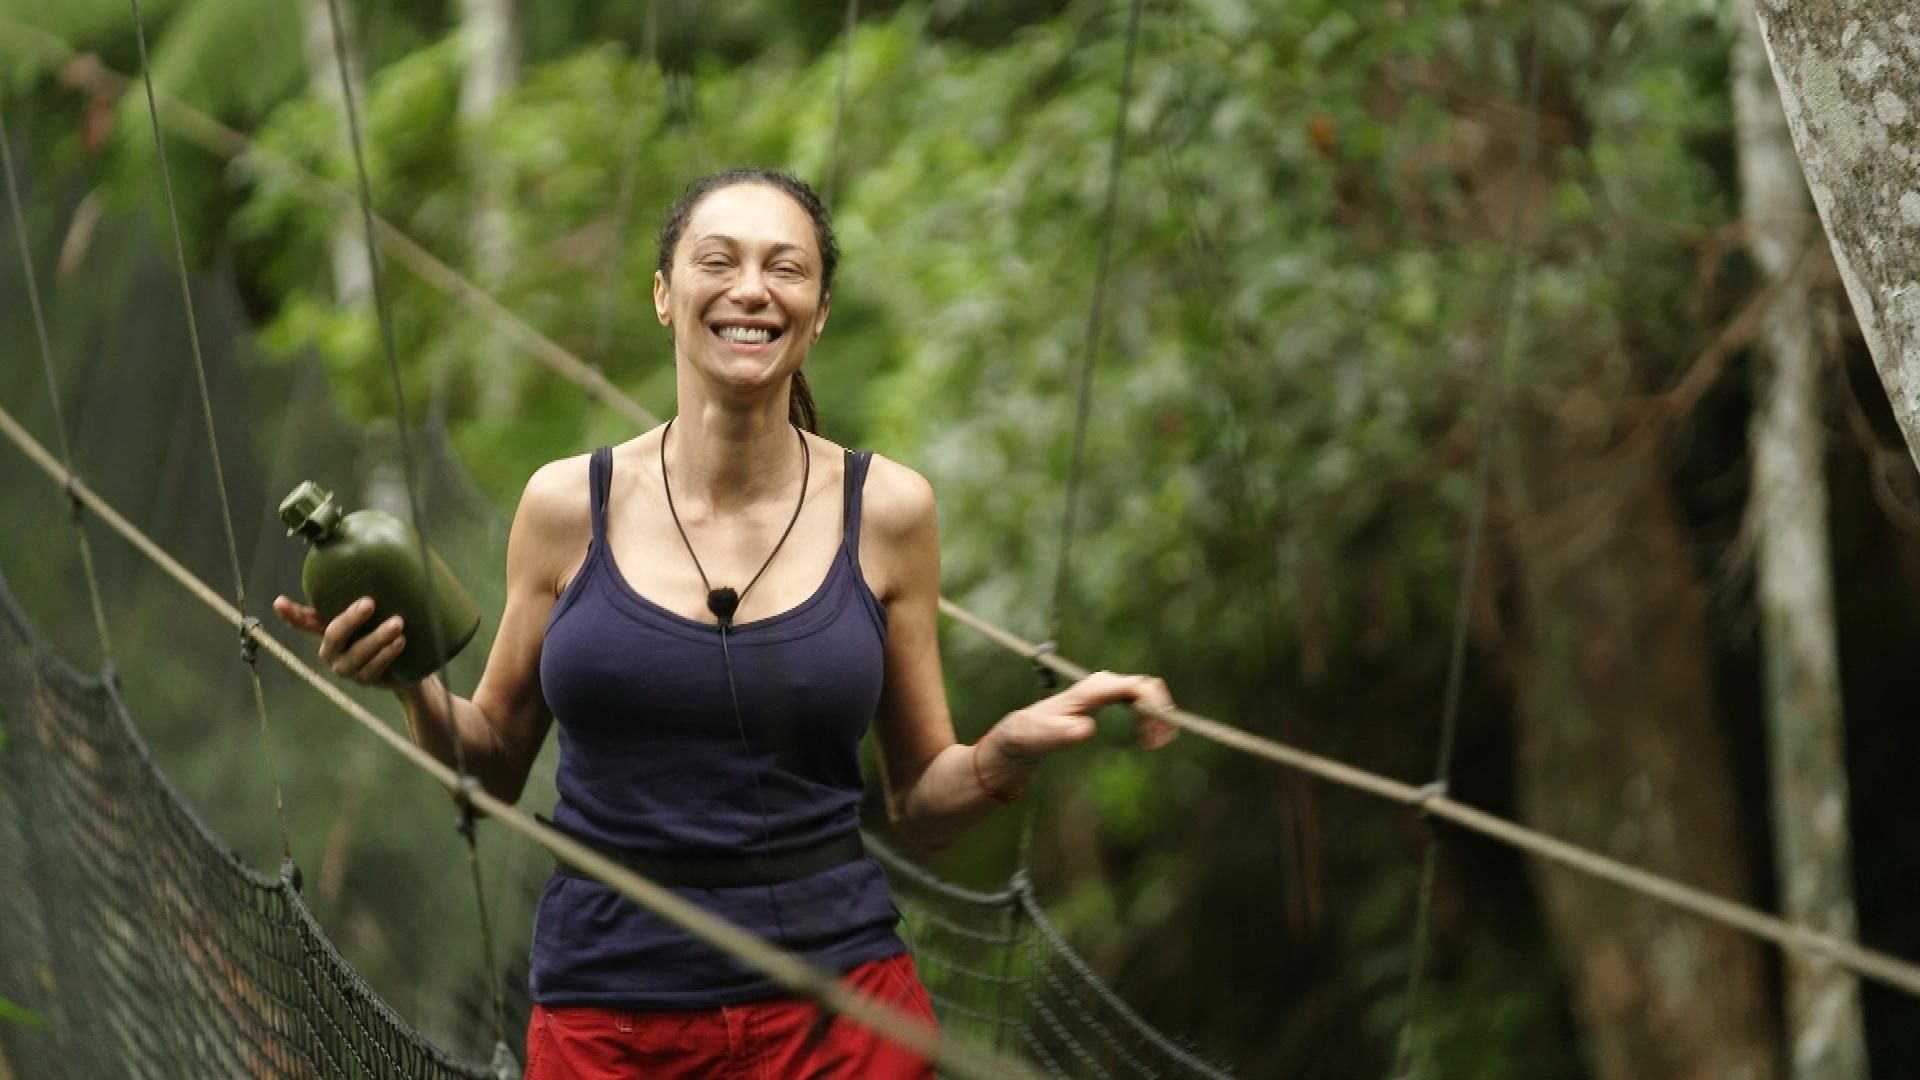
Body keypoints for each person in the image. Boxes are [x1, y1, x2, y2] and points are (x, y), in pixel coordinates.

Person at [272, 166, 1178, 1078]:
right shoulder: (565, 505)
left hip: (839, 1022)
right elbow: (494, 763)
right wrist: (412, 681)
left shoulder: (891, 511)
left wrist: (1005, 751)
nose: (752, 288)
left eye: (786, 269)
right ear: (665, 294)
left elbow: (916, 811)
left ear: (818, 312)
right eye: (719, 260)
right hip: (608, 1022)